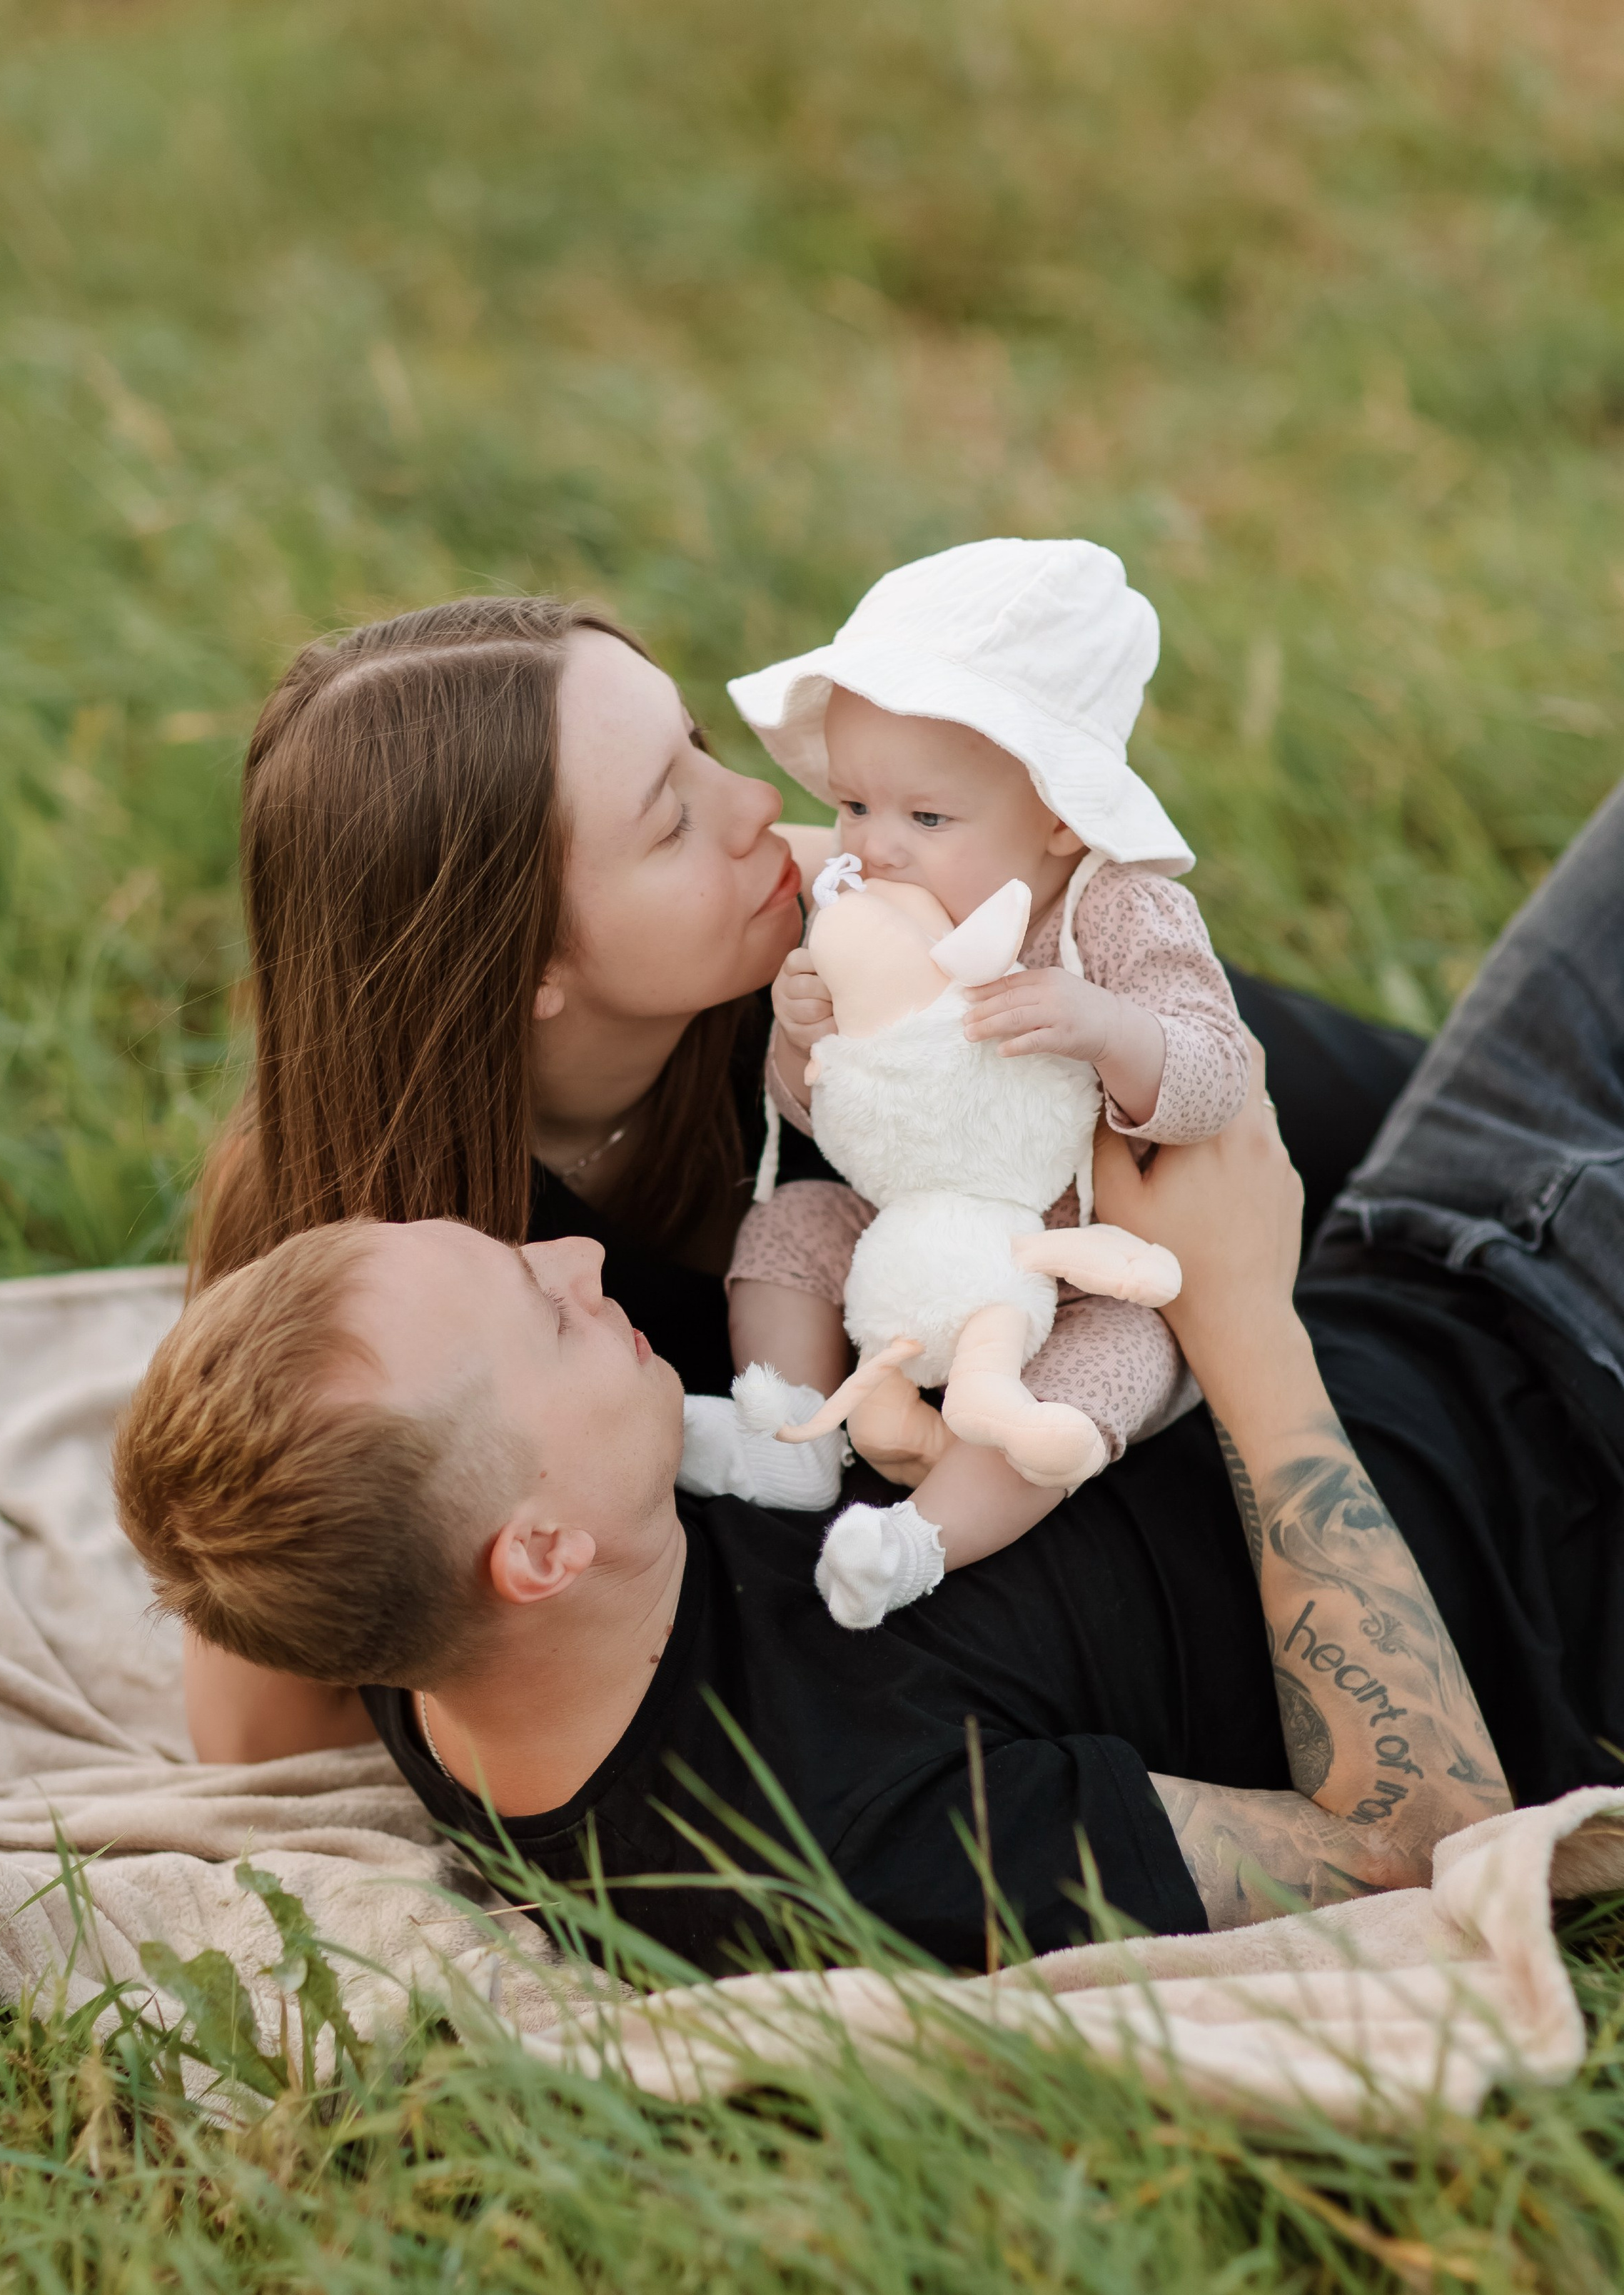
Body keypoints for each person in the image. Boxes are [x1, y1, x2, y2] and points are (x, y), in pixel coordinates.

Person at [181, 588, 1418, 1753]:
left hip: (1309, 1168)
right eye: (670, 816)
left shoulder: (838, 924)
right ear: (515, 968)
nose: (757, 807)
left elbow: (1194, 1101)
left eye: (701, 742)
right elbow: (259, 1738)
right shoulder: (366, 1265)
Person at [114, 1040, 1511, 1972]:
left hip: (1416, 1250)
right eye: (545, 1316)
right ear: (536, 1552)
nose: (582, 1260)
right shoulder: (837, 1837)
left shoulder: (440, 1621)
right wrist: (1245, 1332)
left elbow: (255, 1529)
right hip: (1557, 1420)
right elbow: (1409, 1843)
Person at [724, 541, 1251, 1627]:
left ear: (1061, 816)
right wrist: (799, 1041)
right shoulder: (864, 901)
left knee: (1123, 1360)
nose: (875, 847)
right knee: (792, 1223)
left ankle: (920, 1542)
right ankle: (786, 1431)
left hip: (1073, 1266)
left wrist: (1110, 1030)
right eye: (853, 804)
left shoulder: (1114, 915)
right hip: (904, 1227)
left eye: (925, 818)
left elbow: (1219, 1072)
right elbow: (843, 1120)